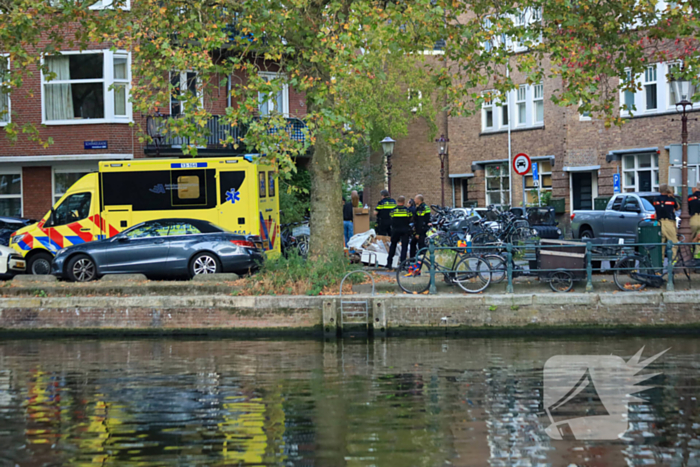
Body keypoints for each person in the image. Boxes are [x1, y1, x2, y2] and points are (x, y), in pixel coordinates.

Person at [653, 184, 680, 261]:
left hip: (659, 223)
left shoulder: (655, 200)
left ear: (659, 191)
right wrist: (672, 196)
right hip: (669, 223)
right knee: (674, 243)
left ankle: (659, 263)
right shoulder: (671, 199)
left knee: (660, 245)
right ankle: (673, 262)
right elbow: (677, 207)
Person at [386, 196, 412, 269]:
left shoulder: (393, 211)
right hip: (405, 230)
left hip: (395, 230)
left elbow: (391, 219)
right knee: (404, 247)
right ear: (404, 202)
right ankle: (403, 264)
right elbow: (410, 218)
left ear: (397, 201)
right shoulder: (407, 211)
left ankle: (389, 263)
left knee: (393, 245)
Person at [689, 184, 700, 259]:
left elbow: (686, 208)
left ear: (694, 188)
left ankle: (689, 256)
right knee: (698, 238)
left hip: (693, 218)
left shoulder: (690, 198)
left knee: (690, 238)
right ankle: (697, 256)